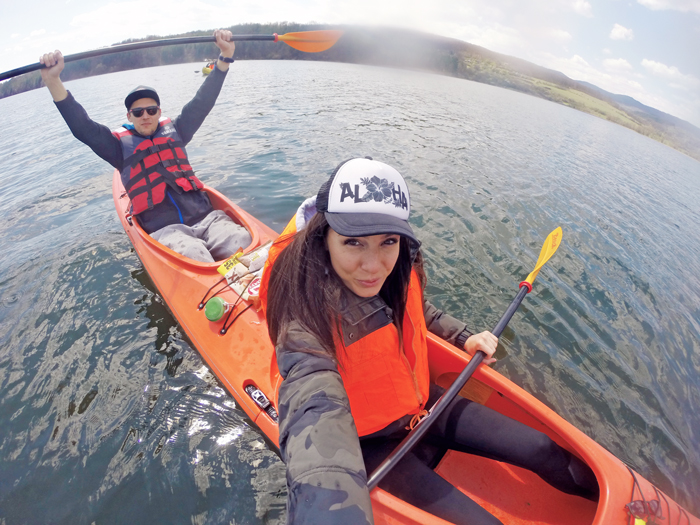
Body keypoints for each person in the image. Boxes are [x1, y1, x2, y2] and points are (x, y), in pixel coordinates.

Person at [260, 158, 599, 524]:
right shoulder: (303, 315)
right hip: (367, 443)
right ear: (323, 237)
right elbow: (312, 406)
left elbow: (421, 311)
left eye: (387, 241)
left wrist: (463, 337)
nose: (374, 265)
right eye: (353, 242)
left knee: (542, 448)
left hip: (420, 404)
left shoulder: (398, 267)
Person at [39, 29, 251, 263]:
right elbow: (83, 128)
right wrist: (53, 82)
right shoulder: (117, 149)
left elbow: (203, 101)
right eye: (138, 112)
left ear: (159, 113)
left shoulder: (178, 130)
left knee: (241, 242)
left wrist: (224, 58)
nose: (145, 116)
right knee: (195, 256)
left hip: (208, 218)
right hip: (167, 231)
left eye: (151, 110)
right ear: (129, 117)